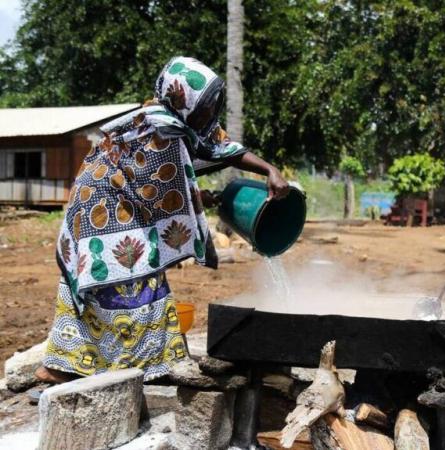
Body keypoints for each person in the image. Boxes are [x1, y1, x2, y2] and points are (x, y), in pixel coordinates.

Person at [35, 56, 289, 383]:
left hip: (121, 201)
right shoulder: (156, 128)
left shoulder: (180, 121)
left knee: (117, 279)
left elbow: (221, 147)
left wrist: (270, 170)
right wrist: (204, 198)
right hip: (102, 207)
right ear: (179, 97)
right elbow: (159, 191)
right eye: (204, 106)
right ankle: (130, 369)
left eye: (211, 105)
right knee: (131, 271)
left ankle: (73, 365)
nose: (209, 113)